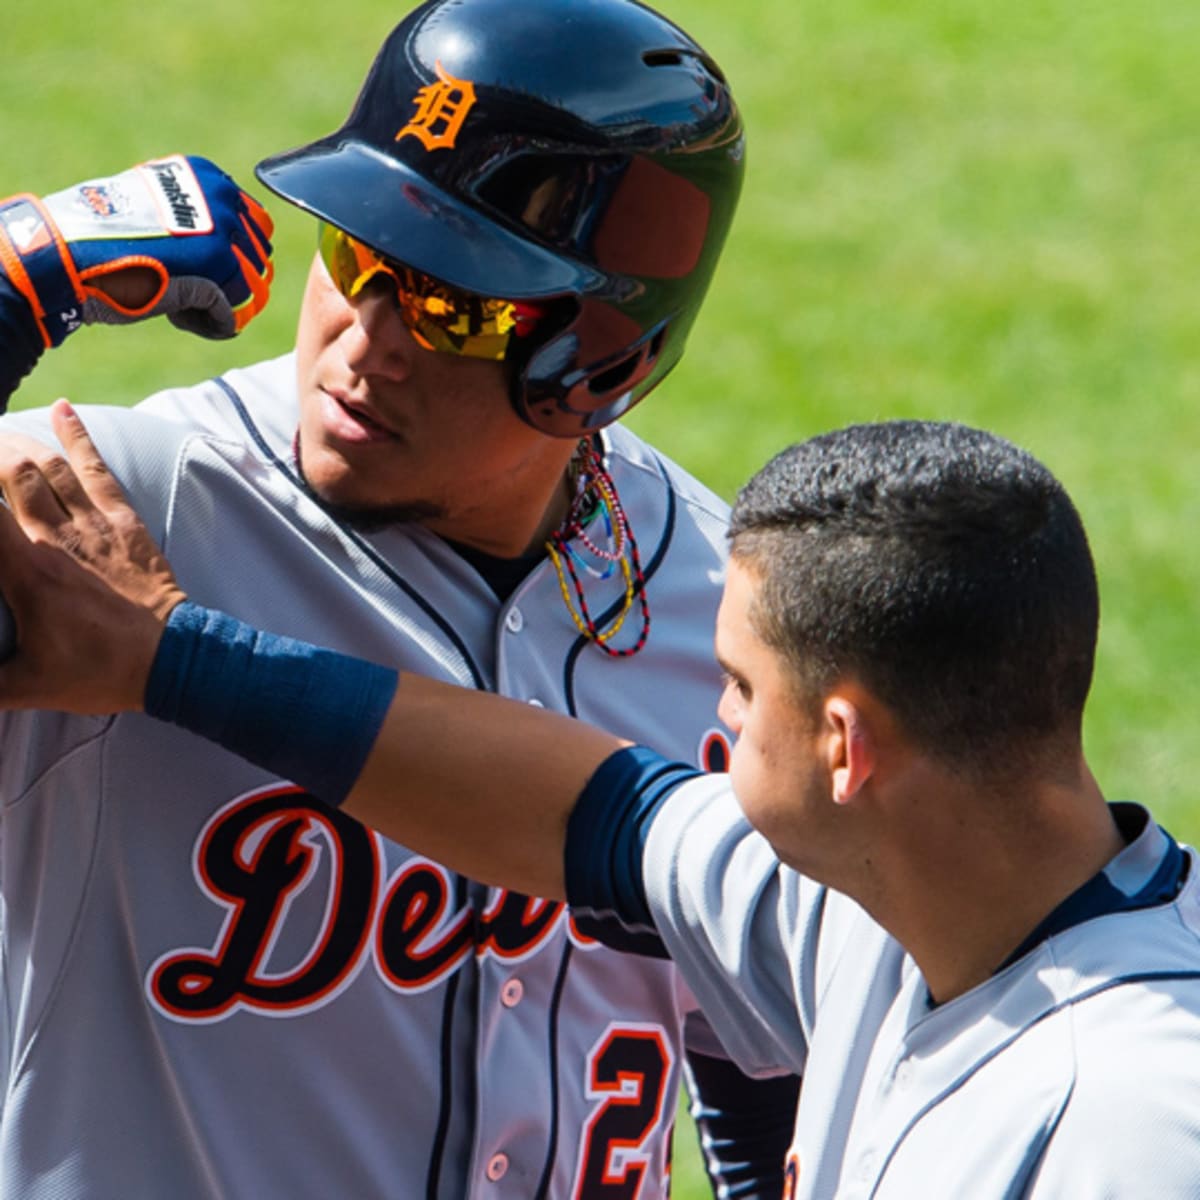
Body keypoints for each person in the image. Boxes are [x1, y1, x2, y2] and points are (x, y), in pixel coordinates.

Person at [0, 1, 802, 1197]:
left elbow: (772, 1047)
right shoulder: (120, 515)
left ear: (603, 361)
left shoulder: (723, 607)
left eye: (453, 306)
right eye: (357, 261)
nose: (362, 344)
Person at [1, 414, 1198, 1198]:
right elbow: (590, 812)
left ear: (846, 746)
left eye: (737, 686)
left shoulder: (1134, 1116)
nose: (709, 725)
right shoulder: (885, 910)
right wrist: (173, 659)